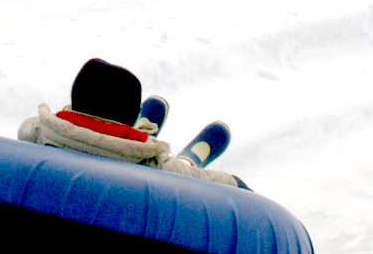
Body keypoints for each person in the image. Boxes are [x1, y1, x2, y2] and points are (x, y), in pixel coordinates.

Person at [16, 59, 243, 188]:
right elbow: (206, 184)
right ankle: (188, 158)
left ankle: (135, 131)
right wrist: (238, 183)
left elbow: (24, 130)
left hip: (68, 134)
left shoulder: (39, 131)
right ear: (131, 114)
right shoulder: (153, 163)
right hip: (135, 155)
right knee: (182, 169)